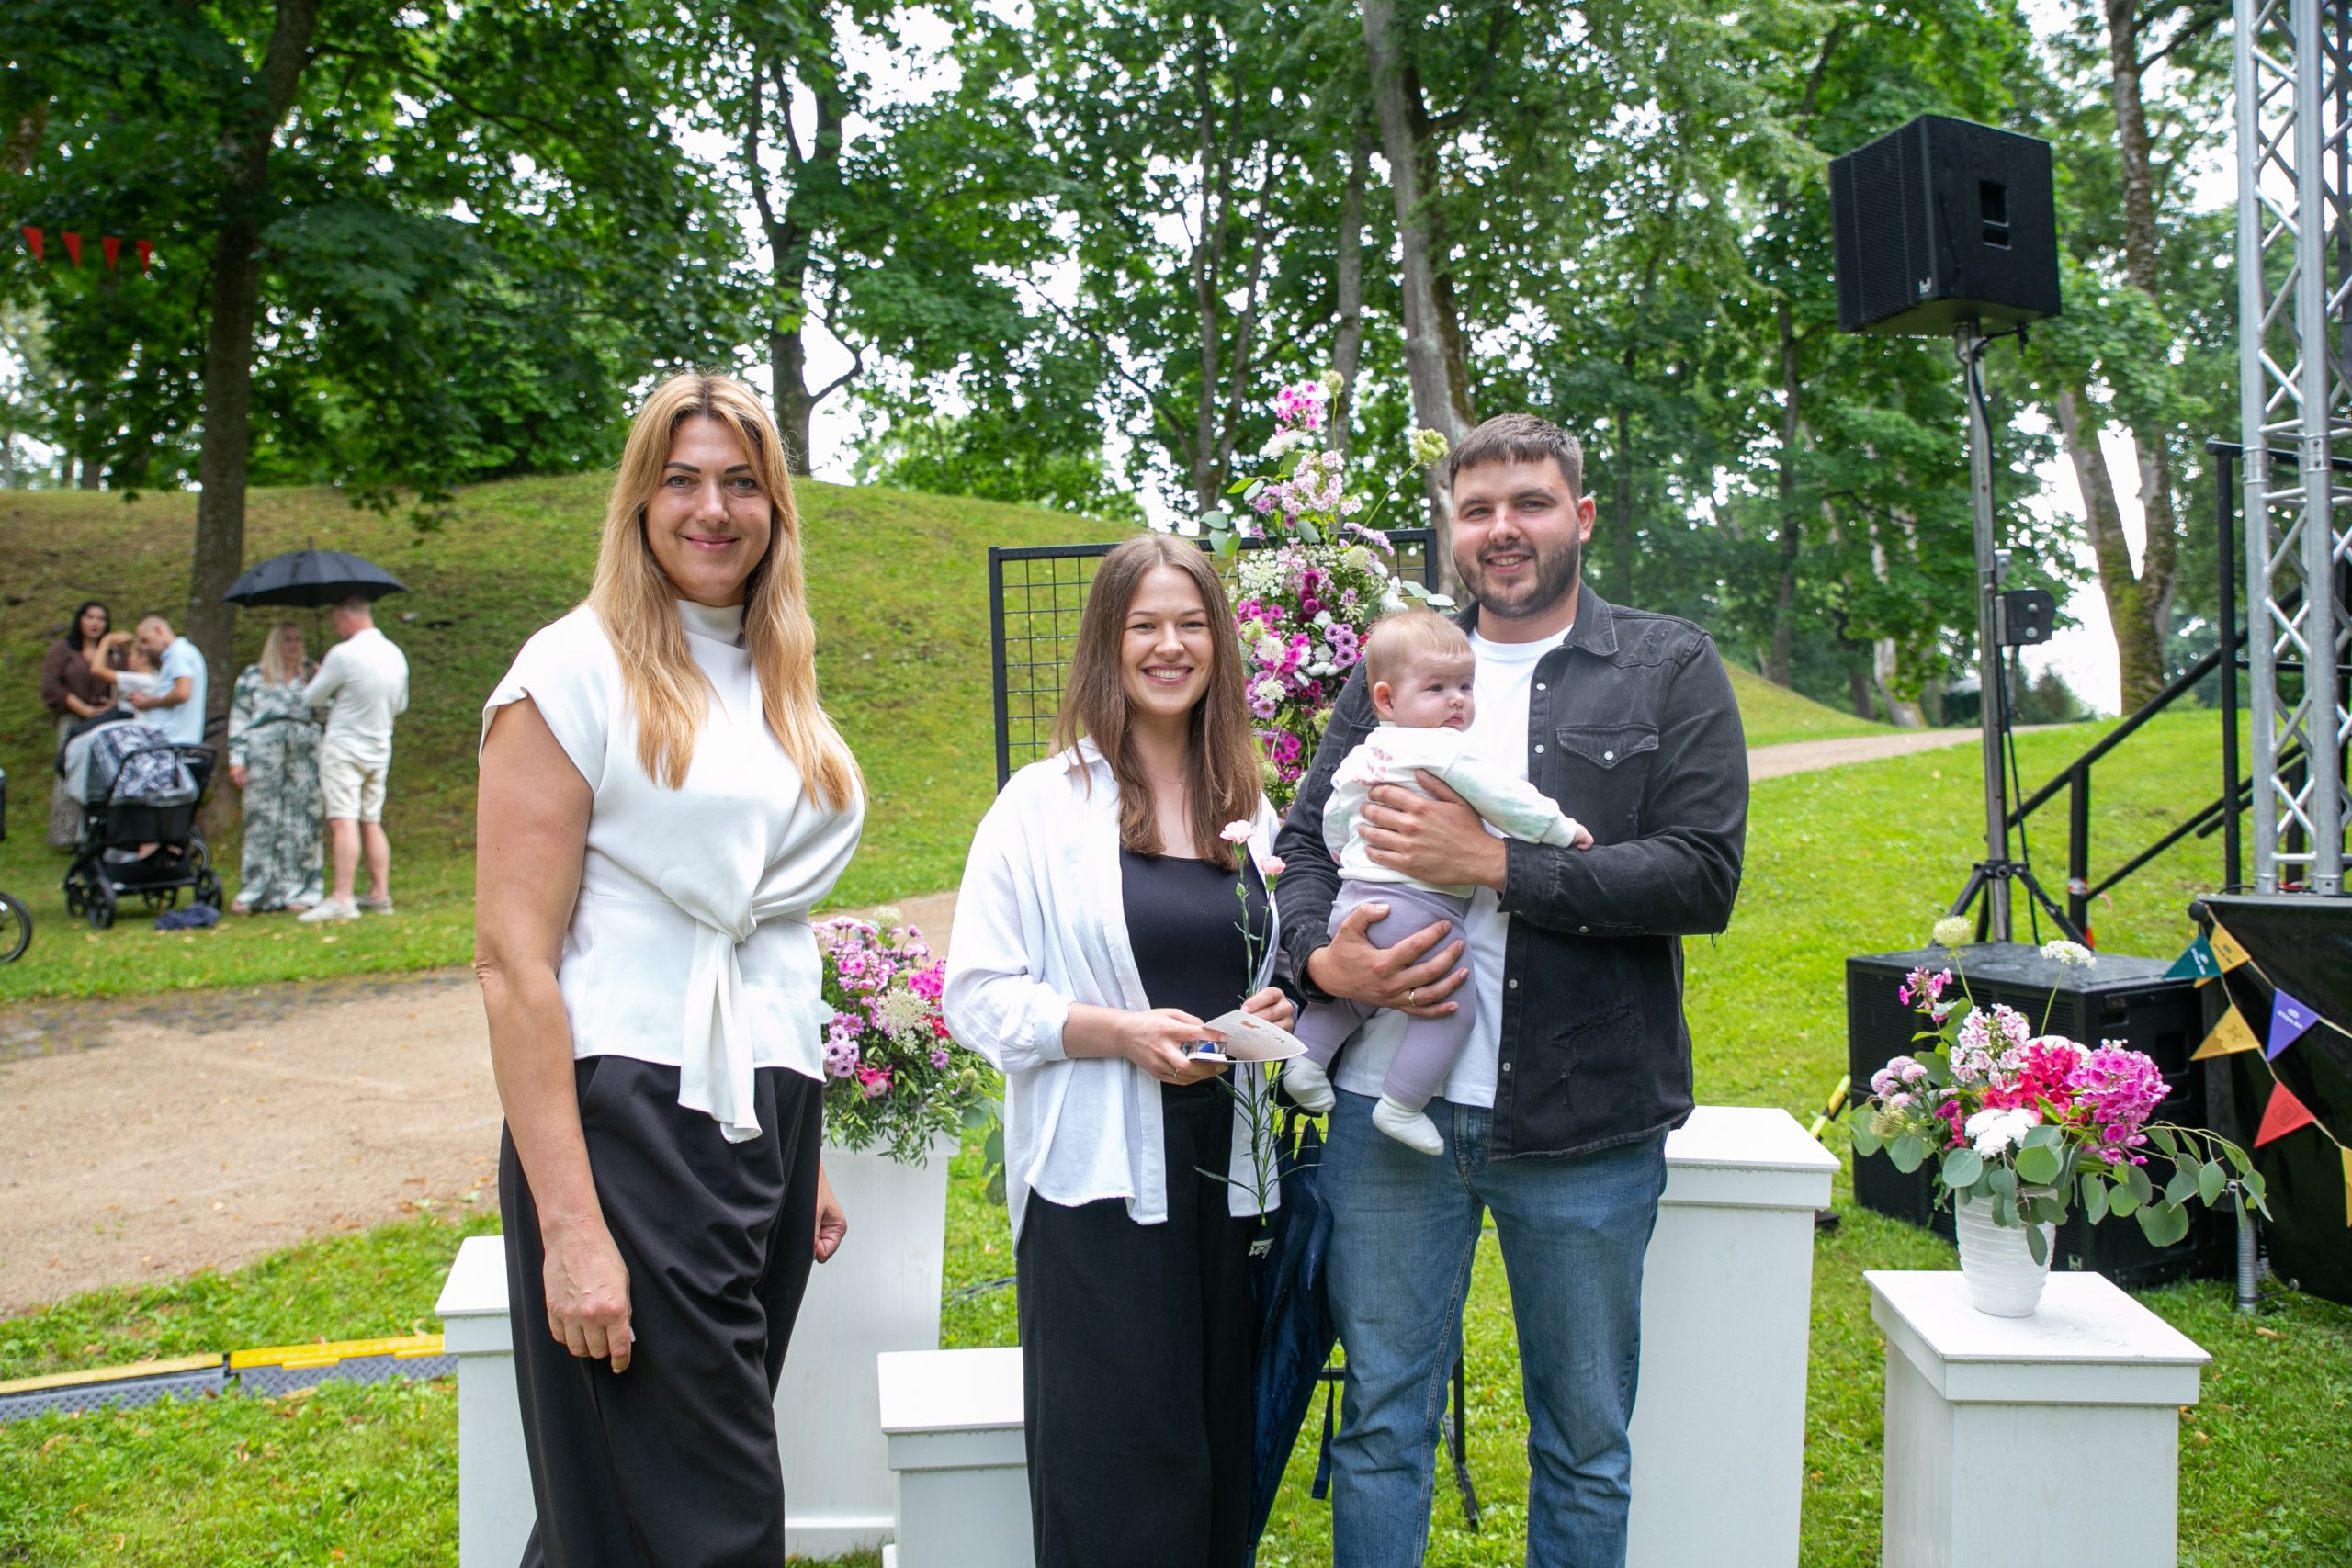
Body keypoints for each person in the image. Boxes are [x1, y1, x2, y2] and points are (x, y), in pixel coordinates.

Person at [1272, 413, 1748, 1568]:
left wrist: (1495, 865)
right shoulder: (1399, 668)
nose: (1502, 529)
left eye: (1529, 503)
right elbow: (1304, 845)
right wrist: (1321, 964)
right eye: (1476, 507)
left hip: (1583, 1115)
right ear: (1451, 526)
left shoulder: (1664, 665)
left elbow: (1701, 873)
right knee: (1380, 1425)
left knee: (1583, 1442)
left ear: (1579, 515)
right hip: (1384, 1109)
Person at [474, 372, 861, 1567]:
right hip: (634, 1113)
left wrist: (801, 1140)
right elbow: (512, 965)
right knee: (706, 1519)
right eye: (682, 479)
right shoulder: (570, 669)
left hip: (760, 1114)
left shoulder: (771, 668)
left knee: (629, 1507)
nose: (712, 508)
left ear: (775, 506)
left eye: (742, 482)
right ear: (638, 500)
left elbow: (767, 927)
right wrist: (571, 1228)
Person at [944, 534, 1296, 1568]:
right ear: (1108, 642)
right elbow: (976, 996)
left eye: (1190, 623)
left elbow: (1258, 949)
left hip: (1229, 1179)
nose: (1169, 646)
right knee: (1113, 1464)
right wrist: (1117, 1034)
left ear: (1219, 642)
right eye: (1144, 625)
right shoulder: (1040, 805)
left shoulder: (1247, 802)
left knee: (1214, 1454)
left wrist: (1270, 1000)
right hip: (1099, 1179)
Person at [1280, 608, 1590, 1154]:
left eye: (1466, 687)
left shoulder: (1366, 753)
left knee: (1353, 993)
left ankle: (1305, 1067)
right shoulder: (1445, 750)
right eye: (1437, 688)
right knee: (1450, 1009)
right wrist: (1560, 831)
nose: (1456, 702)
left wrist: (1346, 854)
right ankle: (1402, 1104)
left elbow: (1334, 814)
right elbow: (1506, 801)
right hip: (1418, 910)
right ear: (1386, 699)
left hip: (1354, 902)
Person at [298, 596, 410, 922]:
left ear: (348, 618)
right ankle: (379, 894)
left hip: (344, 747)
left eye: (336, 621)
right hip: (380, 746)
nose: (336, 628)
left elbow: (311, 698)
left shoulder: (343, 654)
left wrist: (322, 677)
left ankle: (342, 898)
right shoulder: (395, 653)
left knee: (343, 820)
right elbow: (400, 705)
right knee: (371, 819)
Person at [227, 621, 324, 914]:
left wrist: (323, 684)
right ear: (276, 644)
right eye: (287, 640)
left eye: (298, 639)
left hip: (304, 752)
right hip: (263, 751)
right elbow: (239, 716)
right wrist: (236, 759)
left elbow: (325, 714)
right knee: (262, 818)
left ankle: (299, 890)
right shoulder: (253, 676)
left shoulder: (312, 674)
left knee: (302, 820)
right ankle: (256, 891)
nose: (294, 645)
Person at [40, 601, 115, 845]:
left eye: (101, 619)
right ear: (80, 620)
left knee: (99, 774)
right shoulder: (63, 650)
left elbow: (124, 680)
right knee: (68, 770)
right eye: (90, 617)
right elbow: (51, 686)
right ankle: (64, 834)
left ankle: (94, 833)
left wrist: (112, 705)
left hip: (103, 720)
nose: (95, 623)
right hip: (72, 717)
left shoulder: (112, 653)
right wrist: (80, 707)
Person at [85, 615, 207, 744]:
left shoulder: (178, 653)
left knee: (99, 738)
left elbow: (182, 693)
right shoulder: (177, 654)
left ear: (158, 631)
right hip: (163, 738)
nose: (143, 647)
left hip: (168, 741)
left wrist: (147, 703)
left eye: (145, 640)